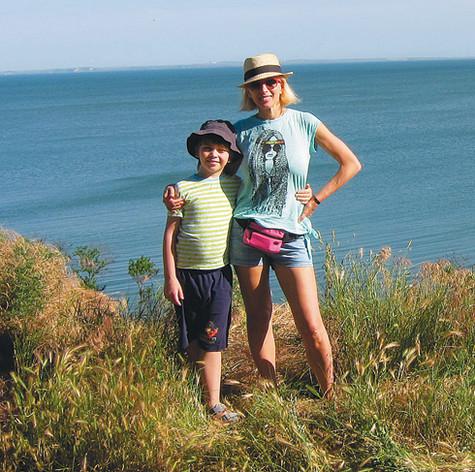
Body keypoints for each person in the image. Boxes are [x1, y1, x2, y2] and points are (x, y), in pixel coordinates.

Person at [166, 53, 361, 398]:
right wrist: (175, 192)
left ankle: (329, 395)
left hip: (292, 236)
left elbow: (350, 164)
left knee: (311, 324)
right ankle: (272, 395)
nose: (264, 90)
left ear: (282, 85)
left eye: (271, 82)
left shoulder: (305, 123)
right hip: (246, 234)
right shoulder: (238, 132)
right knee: (259, 318)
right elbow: (209, 171)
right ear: (249, 92)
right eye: (256, 85)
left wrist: (316, 199)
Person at [162, 120, 243, 423]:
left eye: (222, 150)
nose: (214, 155)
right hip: (185, 275)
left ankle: (214, 404)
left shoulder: (235, 185)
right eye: (208, 148)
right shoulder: (182, 189)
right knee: (194, 339)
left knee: (214, 339)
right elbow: (170, 235)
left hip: (219, 275)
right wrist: (170, 277)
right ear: (197, 151)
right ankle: (202, 394)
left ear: (230, 156)